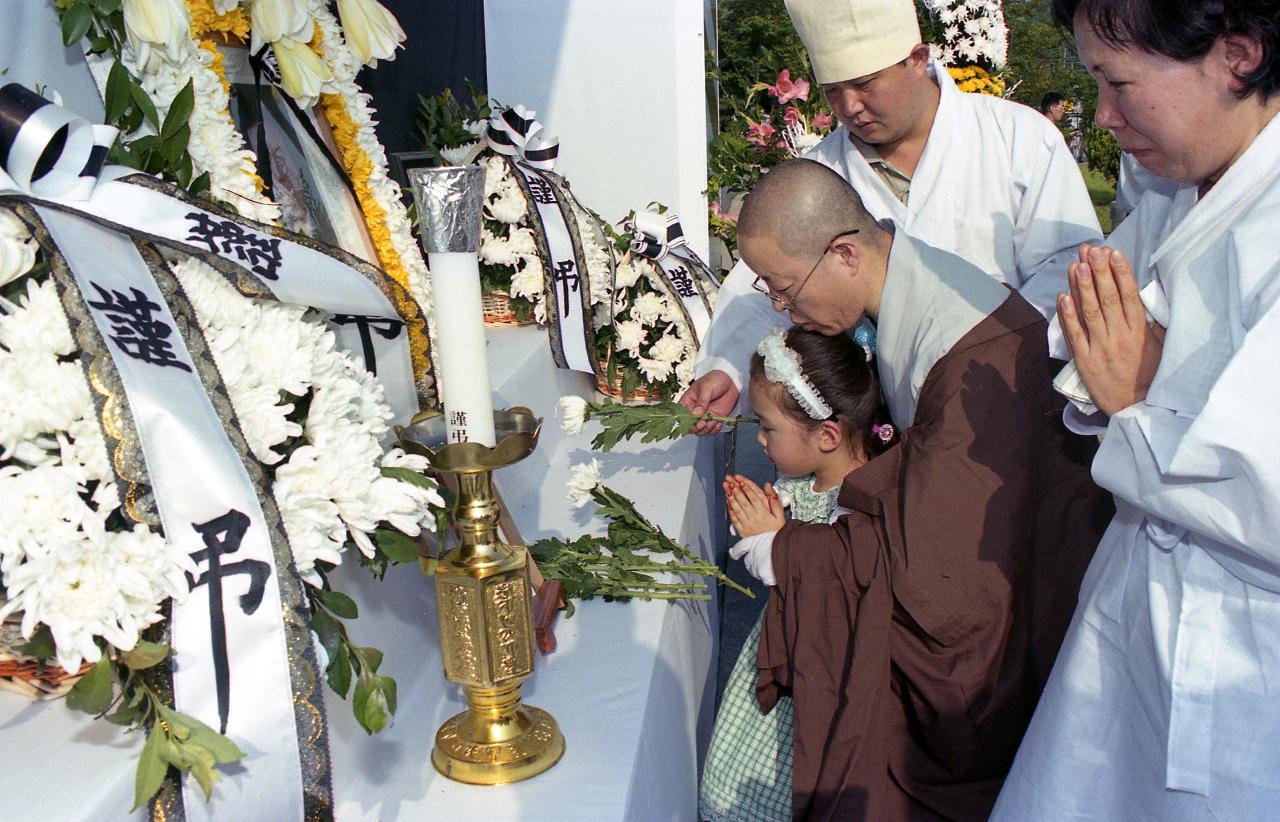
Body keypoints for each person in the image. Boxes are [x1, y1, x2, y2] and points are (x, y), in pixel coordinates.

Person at [725, 159, 1110, 820]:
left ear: (844, 253)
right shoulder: (920, 288)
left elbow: (942, 590)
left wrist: (788, 552)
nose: (785, 309)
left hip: (1000, 657)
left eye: (787, 289)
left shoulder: (965, 358)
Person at [992, 0, 1280, 819]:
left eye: (1119, 83)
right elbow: (1086, 329)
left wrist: (1140, 401)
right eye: (1093, 83)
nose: (1106, 117)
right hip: (1137, 605)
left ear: (1238, 56)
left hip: (1241, 664)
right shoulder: (1177, 191)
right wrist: (1116, 378)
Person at [682, 0, 1101, 434]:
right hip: (875, 423)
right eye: (832, 90)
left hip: (1007, 398)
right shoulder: (819, 174)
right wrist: (727, 369)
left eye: (865, 84)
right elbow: (765, 289)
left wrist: (989, 347)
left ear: (918, 60)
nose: (850, 106)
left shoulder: (1018, 139)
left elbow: (1067, 266)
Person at [700, 326, 896, 822]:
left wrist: (774, 543)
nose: (759, 441)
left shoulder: (857, 509)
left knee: (783, 777)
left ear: (827, 436)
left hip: (808, 679)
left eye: (767, 428)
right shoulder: (810, 481)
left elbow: (830, 592)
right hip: (780, 643)